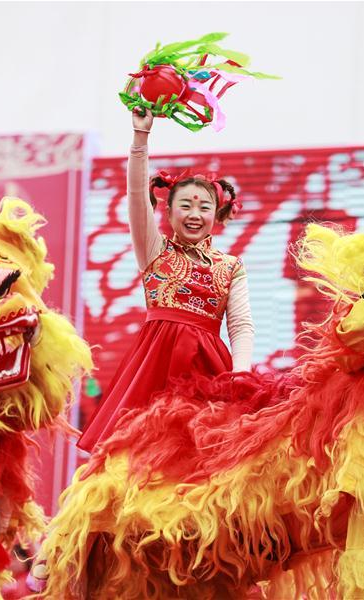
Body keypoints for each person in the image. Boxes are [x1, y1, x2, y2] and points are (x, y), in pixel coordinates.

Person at [77, 108, 254, 453]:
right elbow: (135, 195)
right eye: (184, 205)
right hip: (154, 369)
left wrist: (241, 375)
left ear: (216, 215)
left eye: (203, 207)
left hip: (210, 370)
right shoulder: (154, 251)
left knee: (206, 453)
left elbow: (241, 326)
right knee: (143, 453)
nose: (194, 214)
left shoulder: (231, 265)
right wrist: (140, 138)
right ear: (168, 213)